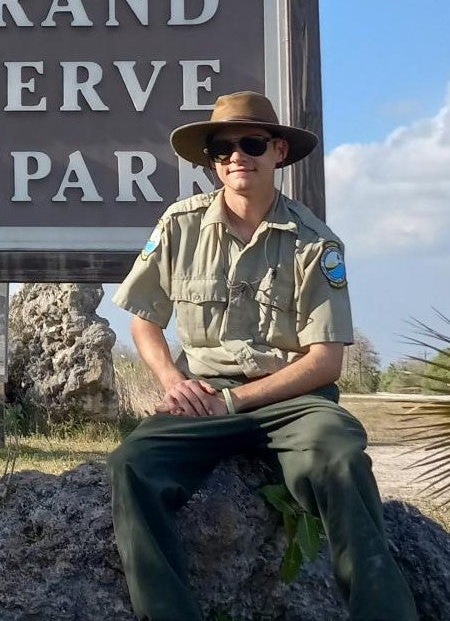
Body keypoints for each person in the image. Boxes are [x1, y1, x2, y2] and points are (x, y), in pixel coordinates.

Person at [107, 90, 416, 621]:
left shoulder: (315, 244)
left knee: (340, 459)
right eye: (222, 148)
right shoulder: (179, 226)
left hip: (292, 400)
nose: (236, 157)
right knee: (131, 466)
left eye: (251, 143)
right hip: (201, 398)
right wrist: (170, 381)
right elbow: (144, 320)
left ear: (277, 151)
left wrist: (236, 402)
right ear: (211, 161)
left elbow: (324, 361)